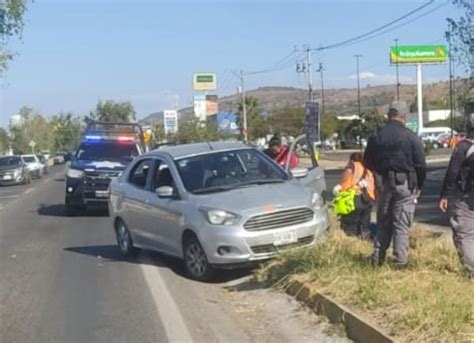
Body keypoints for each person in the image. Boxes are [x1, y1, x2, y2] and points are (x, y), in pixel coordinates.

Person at [364, 100, 426, 269]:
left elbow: (367, 160)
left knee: (383, 221)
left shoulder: (377, 135)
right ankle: (400, 262)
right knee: (401, 224)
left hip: (384, 184)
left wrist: (380, 173)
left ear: (389, 115)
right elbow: (420, 163)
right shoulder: (410, 136)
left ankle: (378, 258)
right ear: (404, 116)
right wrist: (419, 184)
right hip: (405, 184)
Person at [439, 107, 474, 278]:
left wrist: (445, 194)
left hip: (466, 196)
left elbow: (453, 172)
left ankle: (470, 269)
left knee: (464, 232)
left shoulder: (464, 147)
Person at [333, 152, 376, 237]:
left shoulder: (351, 168)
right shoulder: (367, 169)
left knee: (350, 225)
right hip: (367, 199)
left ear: (351, 159)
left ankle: (352, 242)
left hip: (354, 199)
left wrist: (337, 189)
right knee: (364, 224)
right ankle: (365, 240)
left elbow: (345, 184)